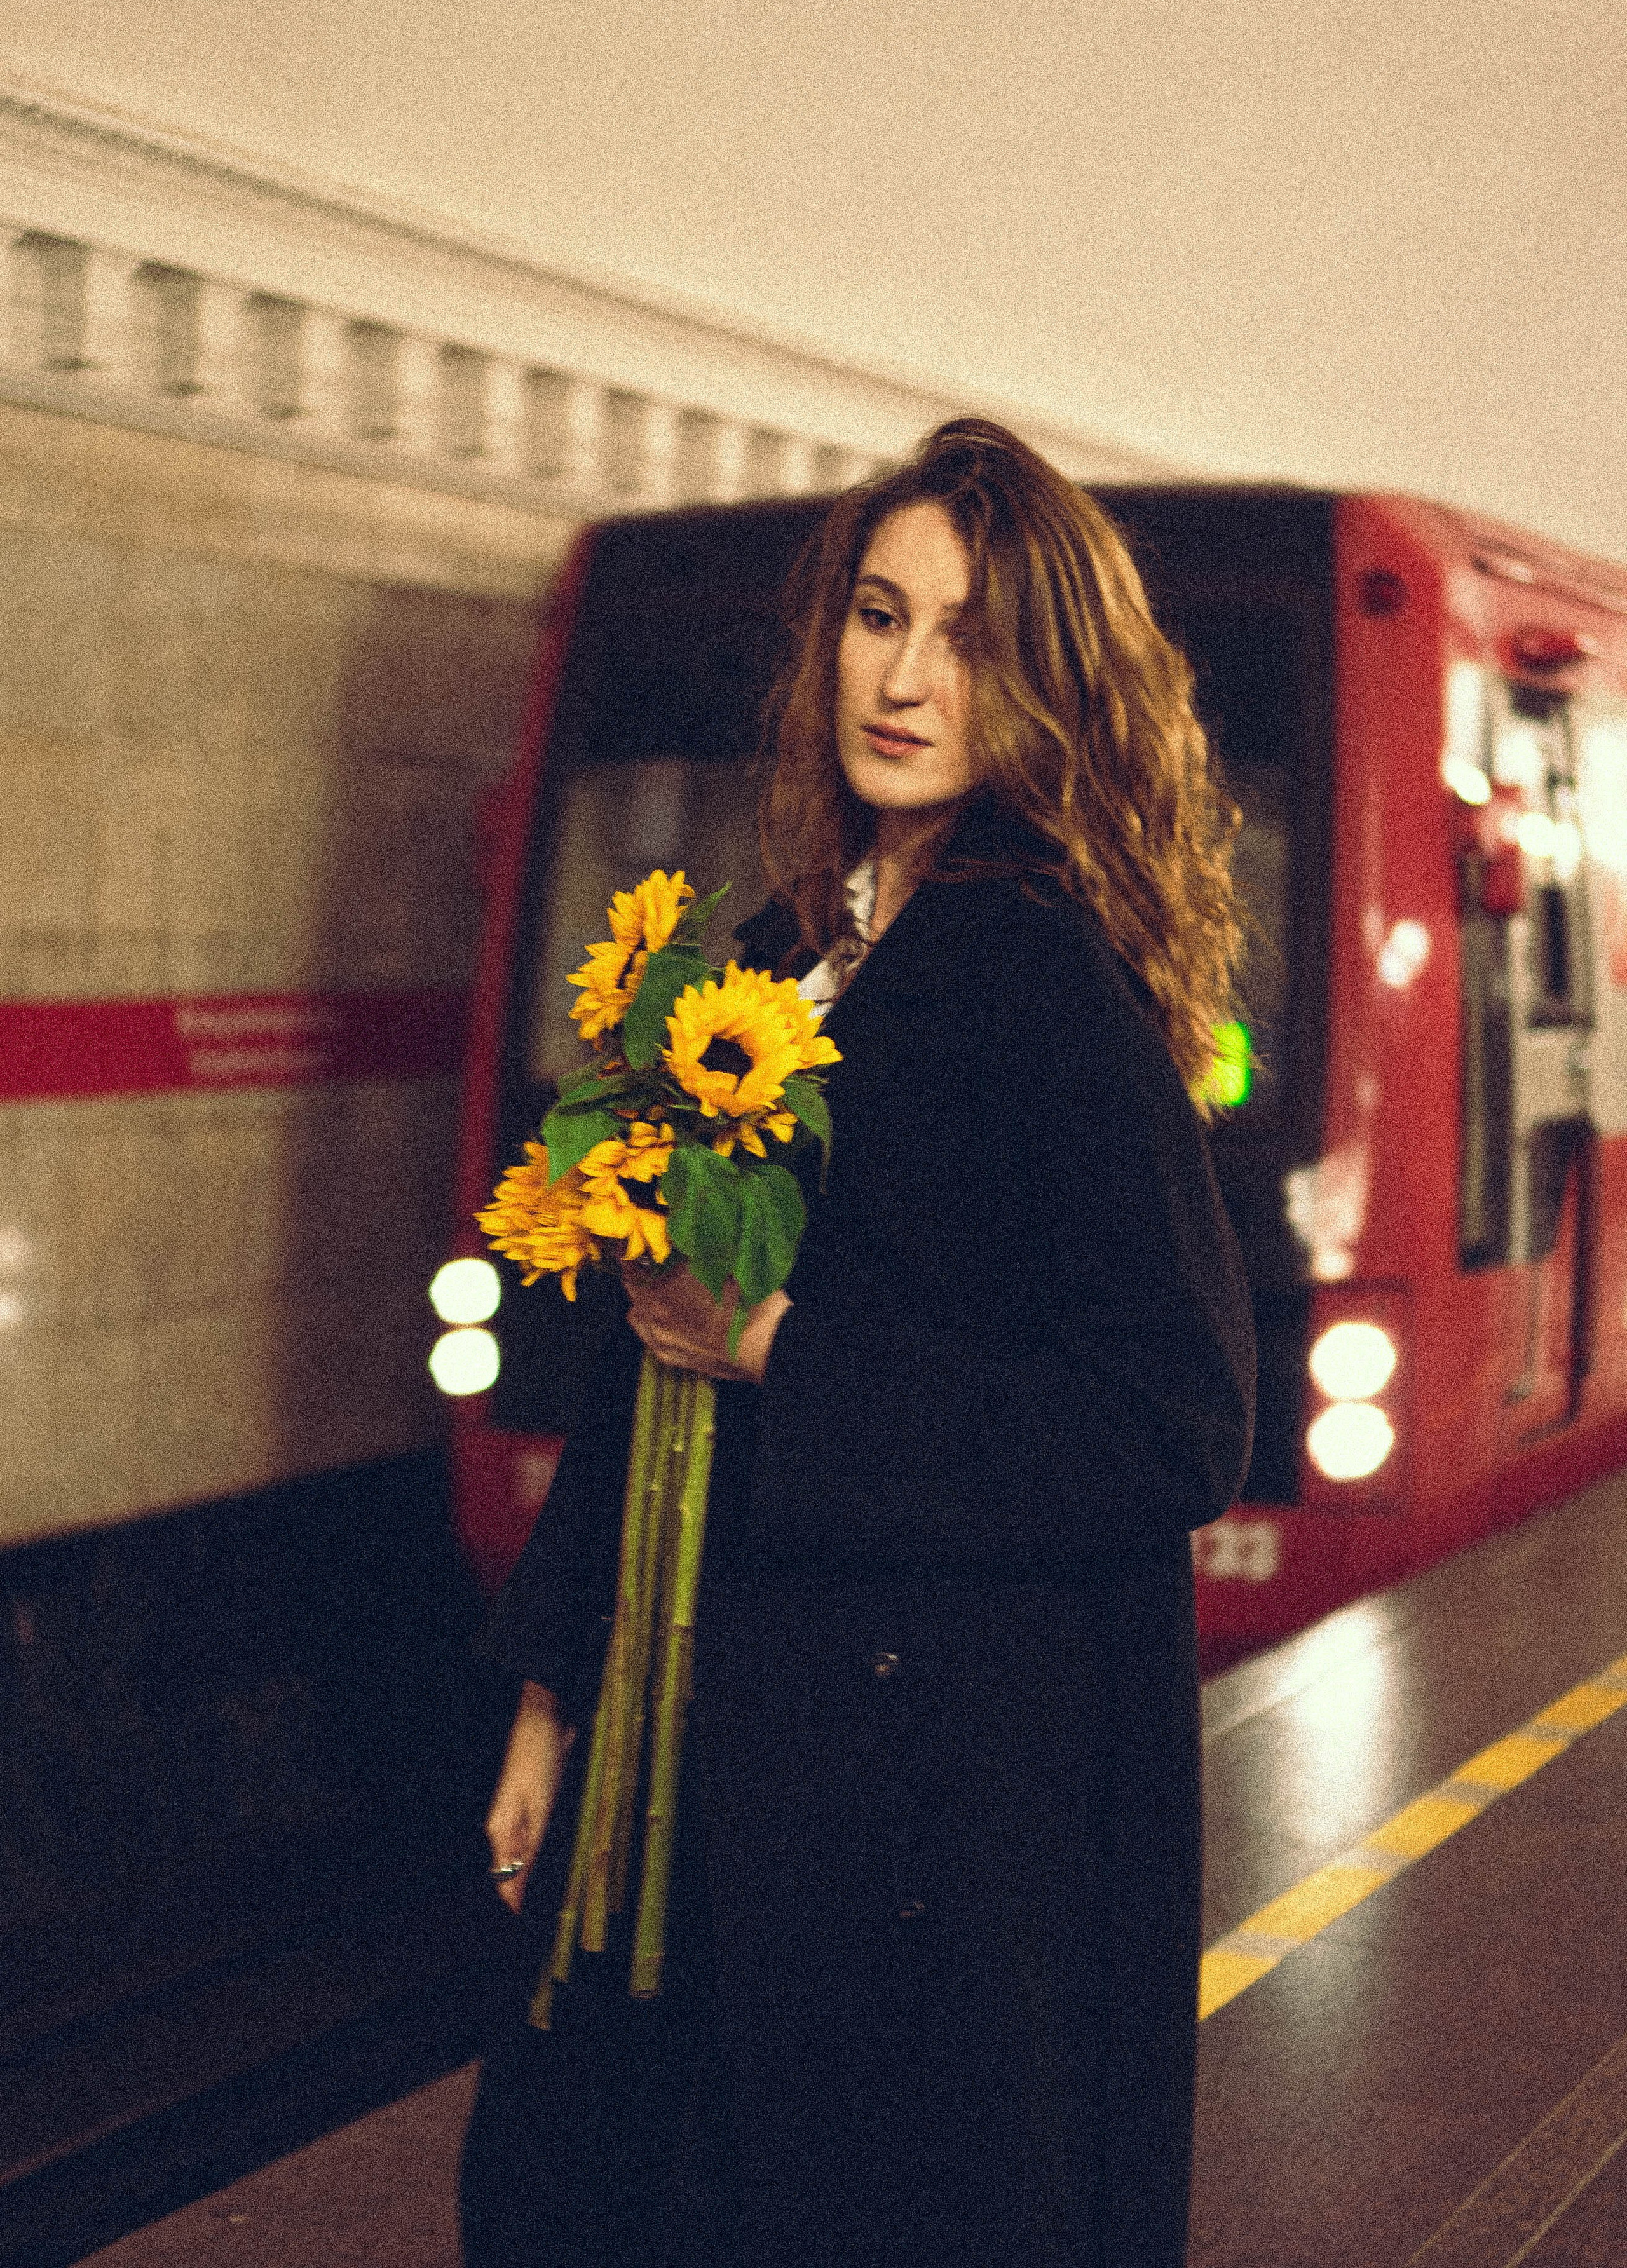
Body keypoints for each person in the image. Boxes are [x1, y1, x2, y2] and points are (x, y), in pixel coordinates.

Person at [459, 419, 1256, 2268]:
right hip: (717, 1735)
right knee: (583, 2172)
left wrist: (791, 1351)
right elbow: (653, 1350)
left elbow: (1172, 1417)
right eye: (879, 616)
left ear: (1049, 683)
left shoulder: (1042, 973)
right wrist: (554, 1681)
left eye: (969, 638)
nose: (904, 678)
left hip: (927, 1807)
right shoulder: (785, 950)